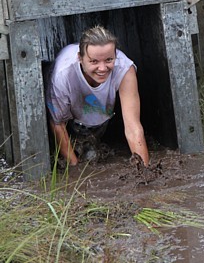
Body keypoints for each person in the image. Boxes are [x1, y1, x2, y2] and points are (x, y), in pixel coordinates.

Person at [46, 25, 150, 166]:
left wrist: (145, 170)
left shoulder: (124, 68)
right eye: (94, 61)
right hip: (69, 119)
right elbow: (58, 125)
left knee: (96, 153)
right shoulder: (63, 75)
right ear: (80, 59)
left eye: (108, 60)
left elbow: (133, 127)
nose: (102, 68)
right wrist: (75, 170)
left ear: (116, 56)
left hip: (102, 117)